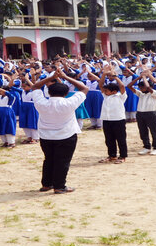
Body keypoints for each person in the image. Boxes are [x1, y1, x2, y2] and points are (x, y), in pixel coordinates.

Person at [28, 65, 88, 194]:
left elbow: (34, 87)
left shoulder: (42, 102)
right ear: (66, 94)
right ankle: (59, 186)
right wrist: (64, 76)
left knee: (48, 159)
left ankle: (46, 184)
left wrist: (52, 77)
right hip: (66, 136)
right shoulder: (68, 102)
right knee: (62, 161)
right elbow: (84, 88)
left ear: (49, 92)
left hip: (46, 136)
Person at [127, 70, 156, 155]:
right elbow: (129, 86)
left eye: (142, 87)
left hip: (151, 113)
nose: (141, 89)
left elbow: (148, 87)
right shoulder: (141, 94)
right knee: (143, 131)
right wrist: (139, 77)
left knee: (154, 131)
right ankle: (146, 146)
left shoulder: (155, 94)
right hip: (140, 114)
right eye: (140, 88)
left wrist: (144, 77)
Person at [98, 68, 128, 163]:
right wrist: (104, 74)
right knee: (109, 139)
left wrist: (115, 77)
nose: (105, 92)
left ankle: (123, 156)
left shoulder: (120, 96)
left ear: (114, 91)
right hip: (107, 120)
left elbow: (122, 86)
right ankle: (112, 156)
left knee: (121, 139)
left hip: (118, 120)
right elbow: (100, 85)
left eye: (107, 90)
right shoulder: (106, 96)